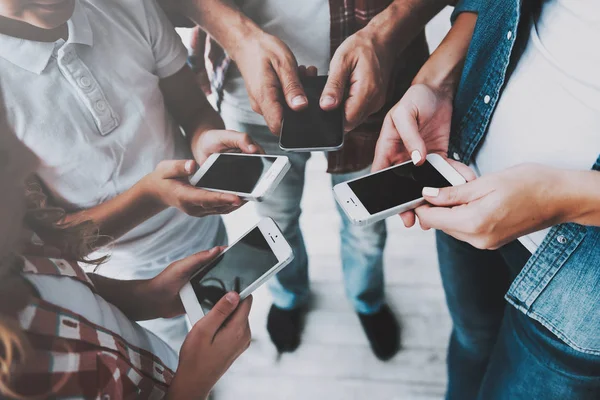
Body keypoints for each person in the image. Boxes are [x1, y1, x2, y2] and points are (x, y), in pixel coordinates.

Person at [178, 0, 452, 360]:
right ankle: (289, 296)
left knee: (366, 226)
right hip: (250, 94)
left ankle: (366, 300)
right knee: (276, 222)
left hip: (374, 86)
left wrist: (385, 34)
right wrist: (239, 36)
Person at [0, 0, 265, 351]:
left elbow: (193, 107)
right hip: (119, 272)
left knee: (218, 312)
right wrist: (152, 196)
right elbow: (51, 243)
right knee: (169, 345)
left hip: (203, 228)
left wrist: (205, 139)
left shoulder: (128, 6)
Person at [374, 0, 600, 398]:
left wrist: (561, 198)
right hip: (467, 164)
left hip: (580, 288)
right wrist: (437, 79)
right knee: (470, 342)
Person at [0, 128, 253, 399]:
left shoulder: (15, 234)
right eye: (3, 158)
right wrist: (194, 385)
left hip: (157, 367)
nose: (30, 160)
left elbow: (63, 283)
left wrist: (147, 297)